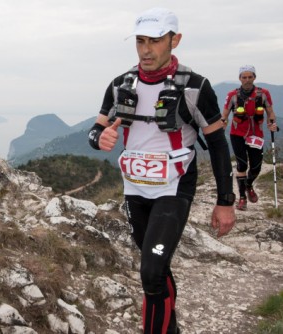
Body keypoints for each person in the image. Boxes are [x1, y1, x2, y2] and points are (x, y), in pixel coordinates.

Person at [87, 8, 236, 334]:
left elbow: (219, 145)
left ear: (174, 40)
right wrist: (101, 139)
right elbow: (95, 131)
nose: (145, 49)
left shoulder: (195, 87)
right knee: (156, 270)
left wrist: (226, 200)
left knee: (151, 271)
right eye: (140, 40)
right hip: (135, 188)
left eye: (155, 41)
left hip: (174, 187)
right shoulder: (119, 85)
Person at [221, 65, 277, 211]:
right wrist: (222, 124)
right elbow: (225, 114)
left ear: (254, 78)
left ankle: (248, 185)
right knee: (241, 165)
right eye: (244, 77)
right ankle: (242, 197)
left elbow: (270, 112)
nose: (247, 80)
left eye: (249, 77)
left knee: (256, 167)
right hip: (237, 134)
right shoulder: (232, 95)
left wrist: (272, 123)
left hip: (256, 135)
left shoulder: (263, 94)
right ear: (239, 78)